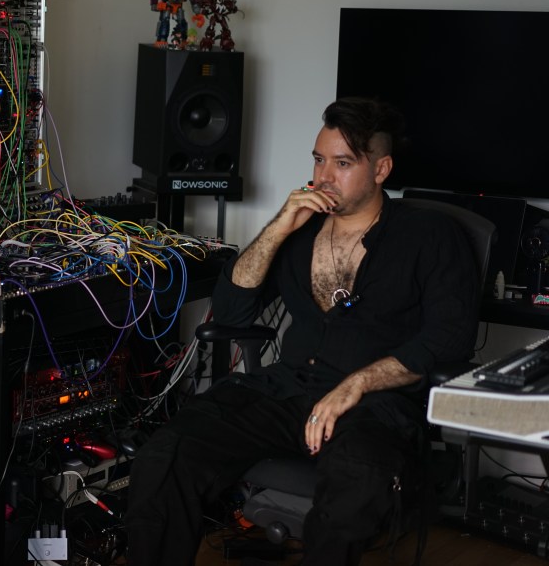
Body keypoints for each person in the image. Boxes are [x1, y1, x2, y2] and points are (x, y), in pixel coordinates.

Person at [125, 97, 478, 565]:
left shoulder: (429, 235)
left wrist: (355, 384)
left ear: (381, 168)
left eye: (343, 163)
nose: (324, 176)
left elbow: (449, 339)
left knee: (356, 481)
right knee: (167, 454)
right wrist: (278, 228)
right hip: (285, 391)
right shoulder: (299, 232)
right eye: (318, 159)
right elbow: (231, 312)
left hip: (376, 407)